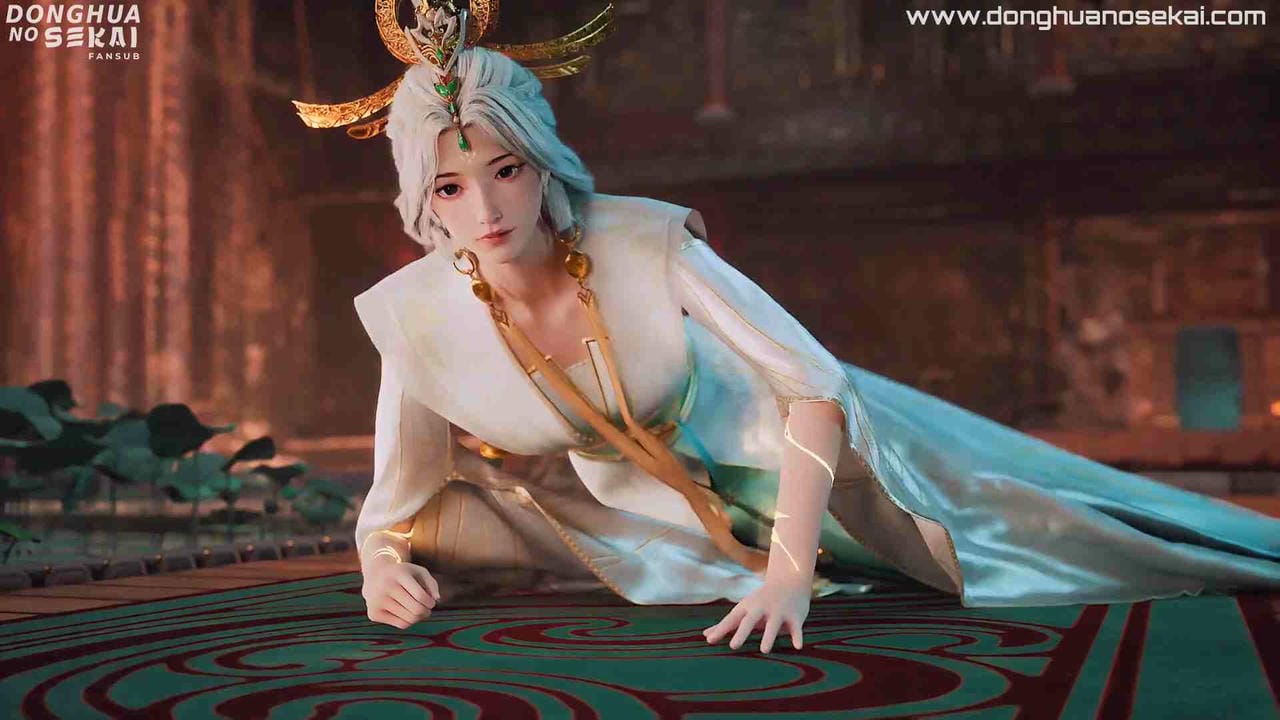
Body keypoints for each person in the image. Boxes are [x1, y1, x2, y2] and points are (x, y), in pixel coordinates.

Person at [299, 2, 1280, 655]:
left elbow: (814, 388)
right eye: (450, 186)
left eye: (506, 170)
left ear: (541, 161)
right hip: (672, 531)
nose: (485, 209)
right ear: (420, 196)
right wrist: (381, 568)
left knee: (1066, 534)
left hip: (833, 460)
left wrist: (789, 577)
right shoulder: (416, 317)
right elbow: (397, 503)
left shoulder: (640, 240)